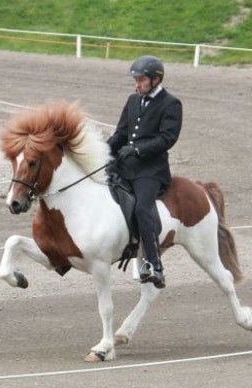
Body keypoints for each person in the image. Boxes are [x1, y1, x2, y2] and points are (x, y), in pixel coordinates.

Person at [107, 55, 183, 289]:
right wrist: (102, 152)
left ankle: (153, 264)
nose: (136, 84)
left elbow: (167, 138)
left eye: (140, 80)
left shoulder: (171, 104)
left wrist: (138, 150)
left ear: (155, 79)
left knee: (142, 207)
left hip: (151, 169)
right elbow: (121, 134)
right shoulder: (132, 100)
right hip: (126, 164)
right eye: (136, 80)